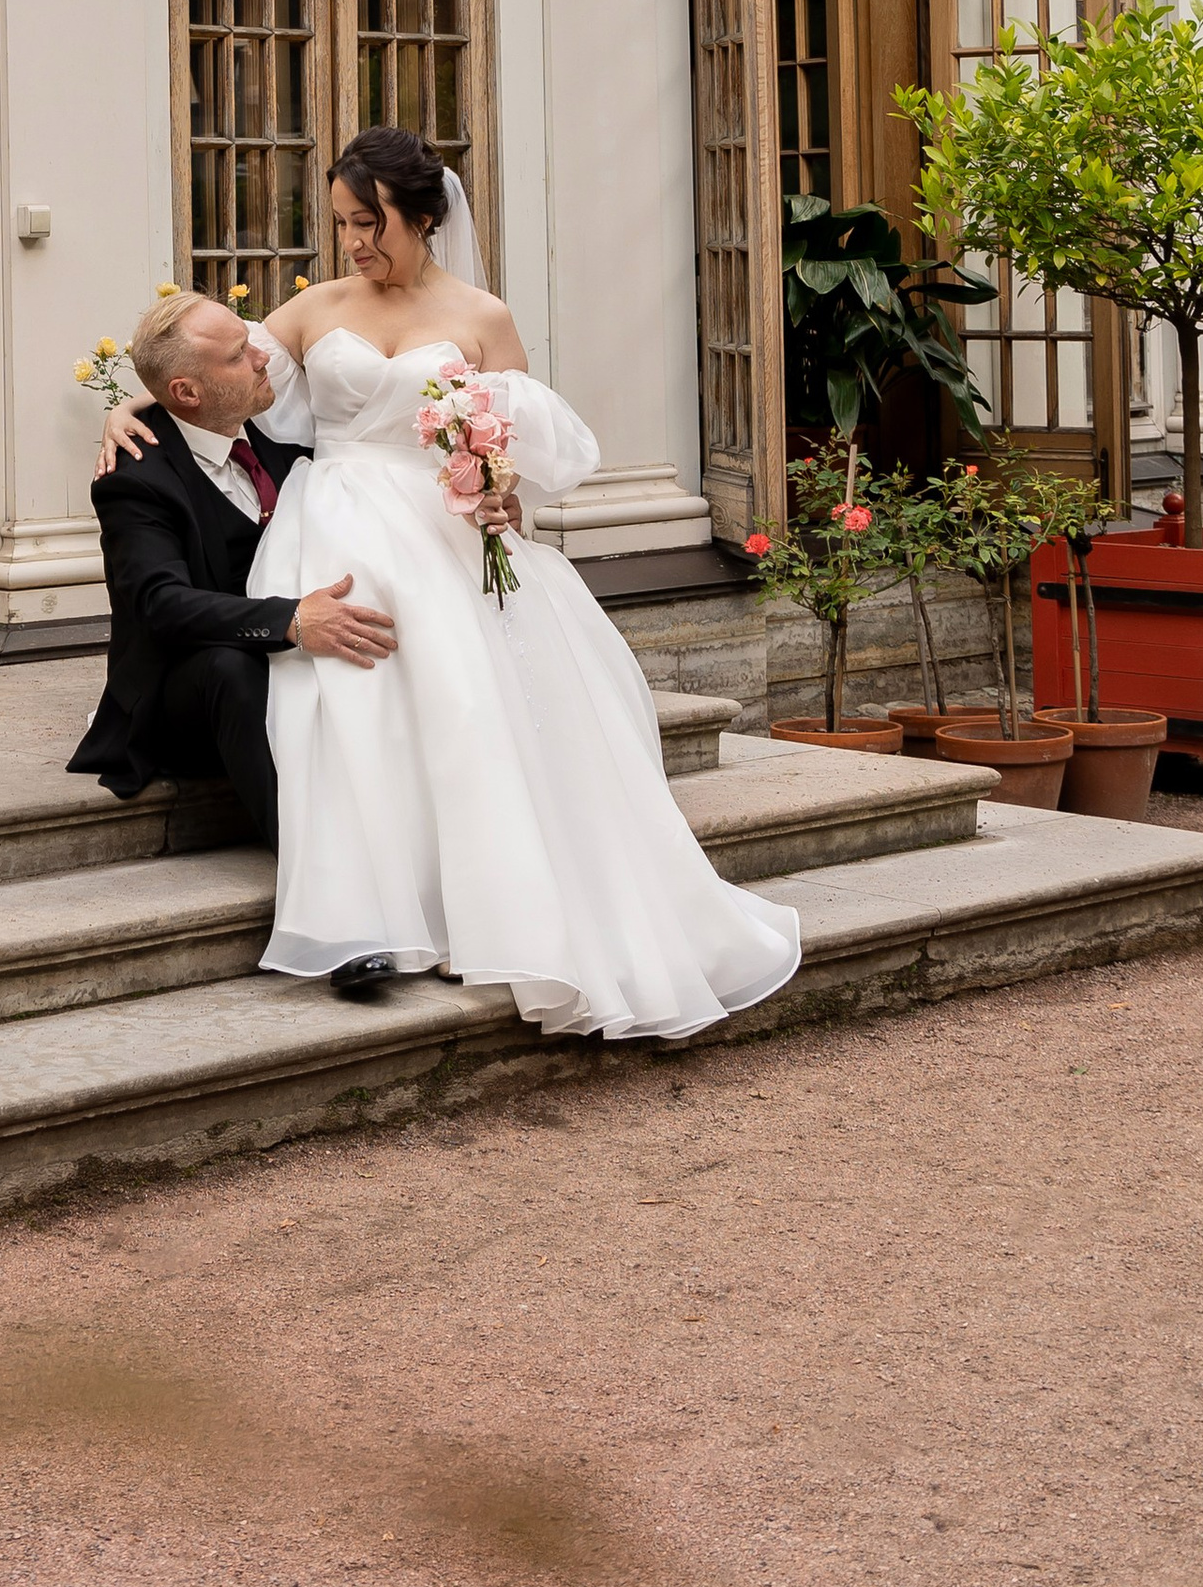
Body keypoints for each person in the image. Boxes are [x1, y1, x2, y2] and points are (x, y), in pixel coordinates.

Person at [95, 132, 801, 1043]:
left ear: (424, 217)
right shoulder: (316, 306)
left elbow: (522, 448)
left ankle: (495, 902)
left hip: (443, 528)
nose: (351, 241)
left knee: (469, 704)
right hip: (337, 523)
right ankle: (374, 903)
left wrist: (501, 495)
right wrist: (128, 404)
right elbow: (218, 372)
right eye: (342, 221)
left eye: (369, 222)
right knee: (347, 698)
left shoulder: (483, 316)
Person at [66, 288, 406, 999]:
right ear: (186, 390)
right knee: (230, 666)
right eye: (240, 354)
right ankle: (335, 911)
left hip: (290, 664)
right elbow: (158, 602)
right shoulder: (137, 475)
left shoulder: (285, 429)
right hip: (187, 695)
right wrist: (287, 621)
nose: (263, 356)